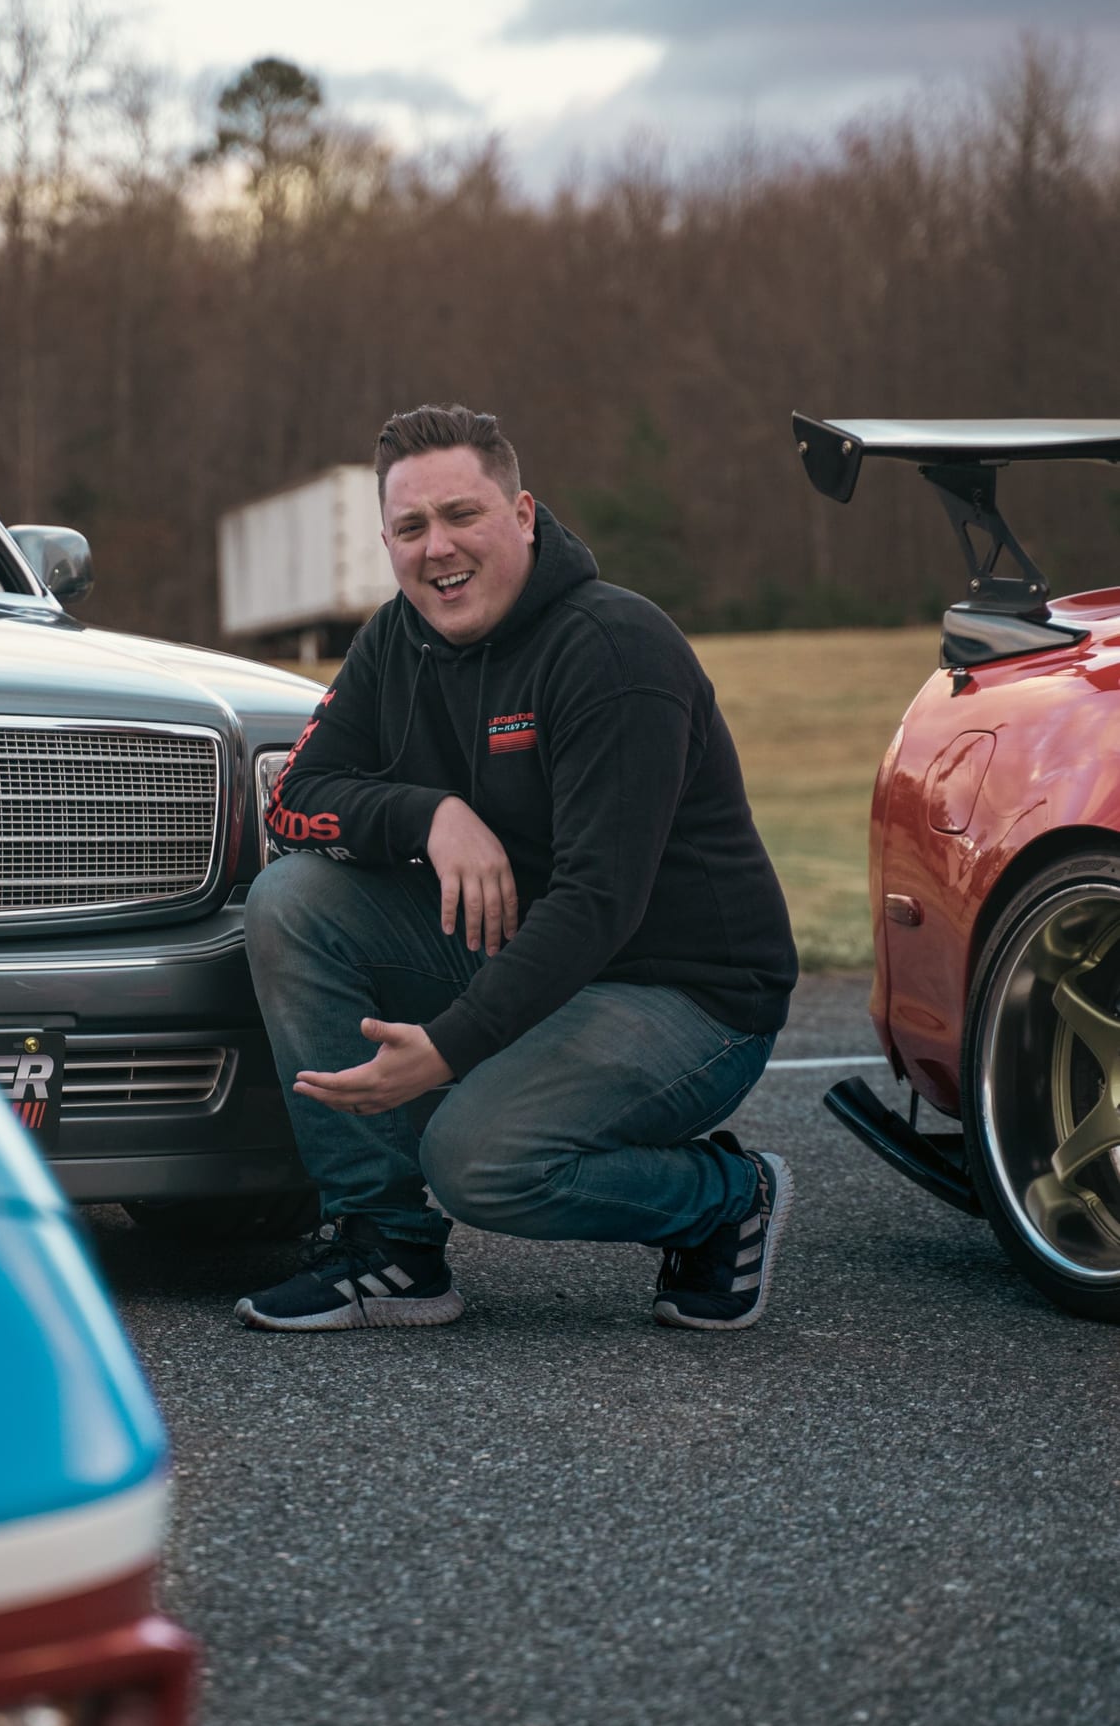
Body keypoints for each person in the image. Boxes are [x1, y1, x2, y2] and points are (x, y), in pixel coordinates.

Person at [237, 403, 799, 1334]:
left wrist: (449, 1046)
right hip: (519, 948)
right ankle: (386, 1248)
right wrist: (429, 813)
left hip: (682, 989)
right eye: (410, 527)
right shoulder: (394, 641)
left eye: (462, 514)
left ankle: (723, 1198)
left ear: (523, 514)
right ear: (387, 543)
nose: (437, 548)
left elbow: (599, 901)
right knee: (292, 901)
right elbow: (293, 798)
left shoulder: (613, 646)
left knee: (478, 1160)